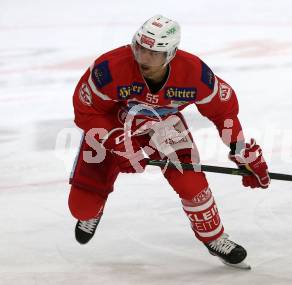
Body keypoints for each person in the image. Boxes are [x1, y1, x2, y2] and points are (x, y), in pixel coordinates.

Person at [69, 14, 270, 269]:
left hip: (163, 126)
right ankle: (94, 210)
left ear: (171, 53)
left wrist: (240, 151)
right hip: (113, 125)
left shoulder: (194, 73)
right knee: (81, 208)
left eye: (153, 53)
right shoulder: (109, 68)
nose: (143, 58)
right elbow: (86, 110)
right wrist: (118, 142)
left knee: (192, 185)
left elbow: (224, 112)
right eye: (139, 48)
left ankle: (215, 238)